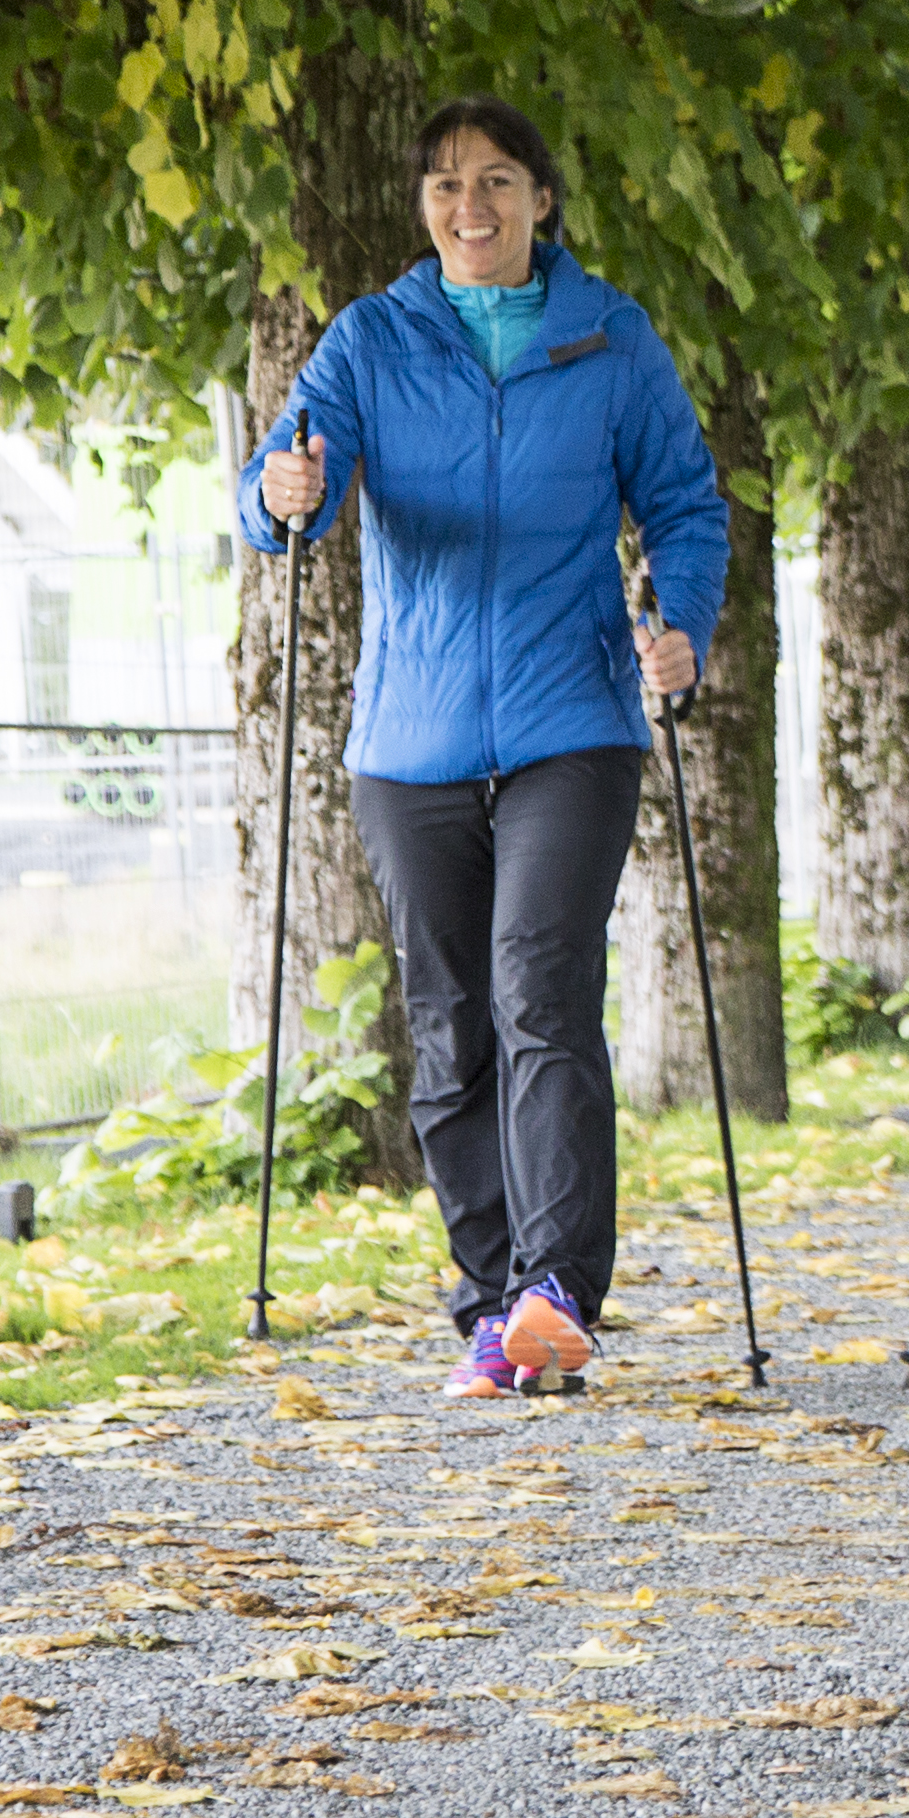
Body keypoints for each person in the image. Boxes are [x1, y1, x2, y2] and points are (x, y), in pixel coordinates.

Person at [243, 97, 725, 1401]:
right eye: (449, 183)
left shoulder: (609, 338)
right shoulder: (372, 339)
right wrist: (281, 496)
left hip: (574, 716)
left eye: (500, 180)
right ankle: (489, 1298)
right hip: (415, 734)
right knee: (450, 1021)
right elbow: (290, 479)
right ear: (423, 206)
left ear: (542, 199)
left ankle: (557, 1291)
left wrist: (678, 621)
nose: (474, 205)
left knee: (540, 985)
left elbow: (686, 503)